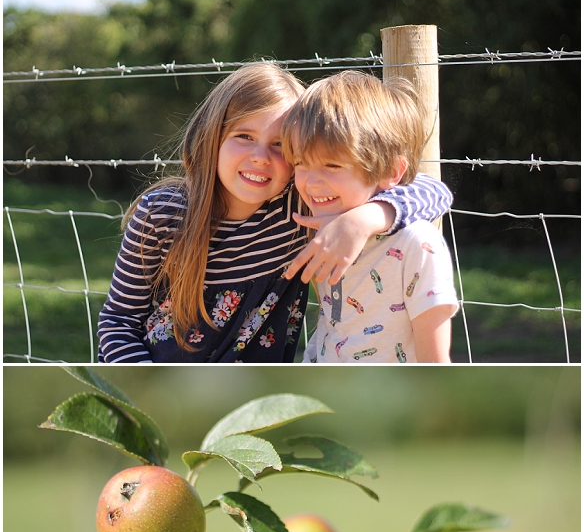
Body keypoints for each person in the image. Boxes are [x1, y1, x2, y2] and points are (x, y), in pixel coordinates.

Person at [97, 62, 453, 363]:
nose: (260, 157)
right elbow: (118, 321)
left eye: (280, 145)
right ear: (212, 135)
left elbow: (433, 191)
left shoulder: (299, 208)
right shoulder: (165, 213)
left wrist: (364, 220)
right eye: (244, 136)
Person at [280, 70, 459, 363]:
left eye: (332, 165)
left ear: (391, 171)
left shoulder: (418, 245)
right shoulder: (316, 225)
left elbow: (436, 366)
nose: (311, 183)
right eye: (301, 163)